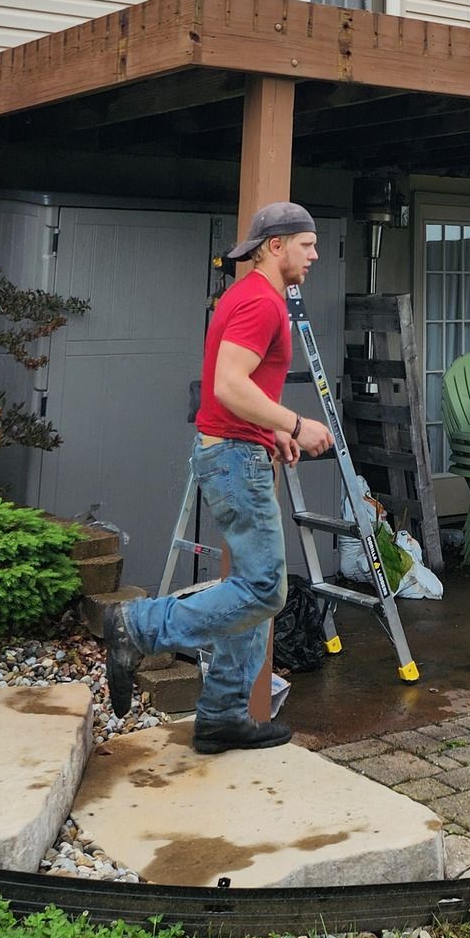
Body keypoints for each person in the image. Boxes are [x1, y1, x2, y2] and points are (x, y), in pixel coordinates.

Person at [103, 201, 334, 753]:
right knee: (263, 589)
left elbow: (232, 391)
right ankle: (139, 627)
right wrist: (295, 423)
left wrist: (270, 431)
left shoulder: (246, 294)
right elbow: (228, 385)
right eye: (307, 244)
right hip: (234, 460)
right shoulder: (261, 300)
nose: (315, 255)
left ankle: (224, 715)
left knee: (250, 591)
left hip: (235, 450)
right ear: (274, 245)